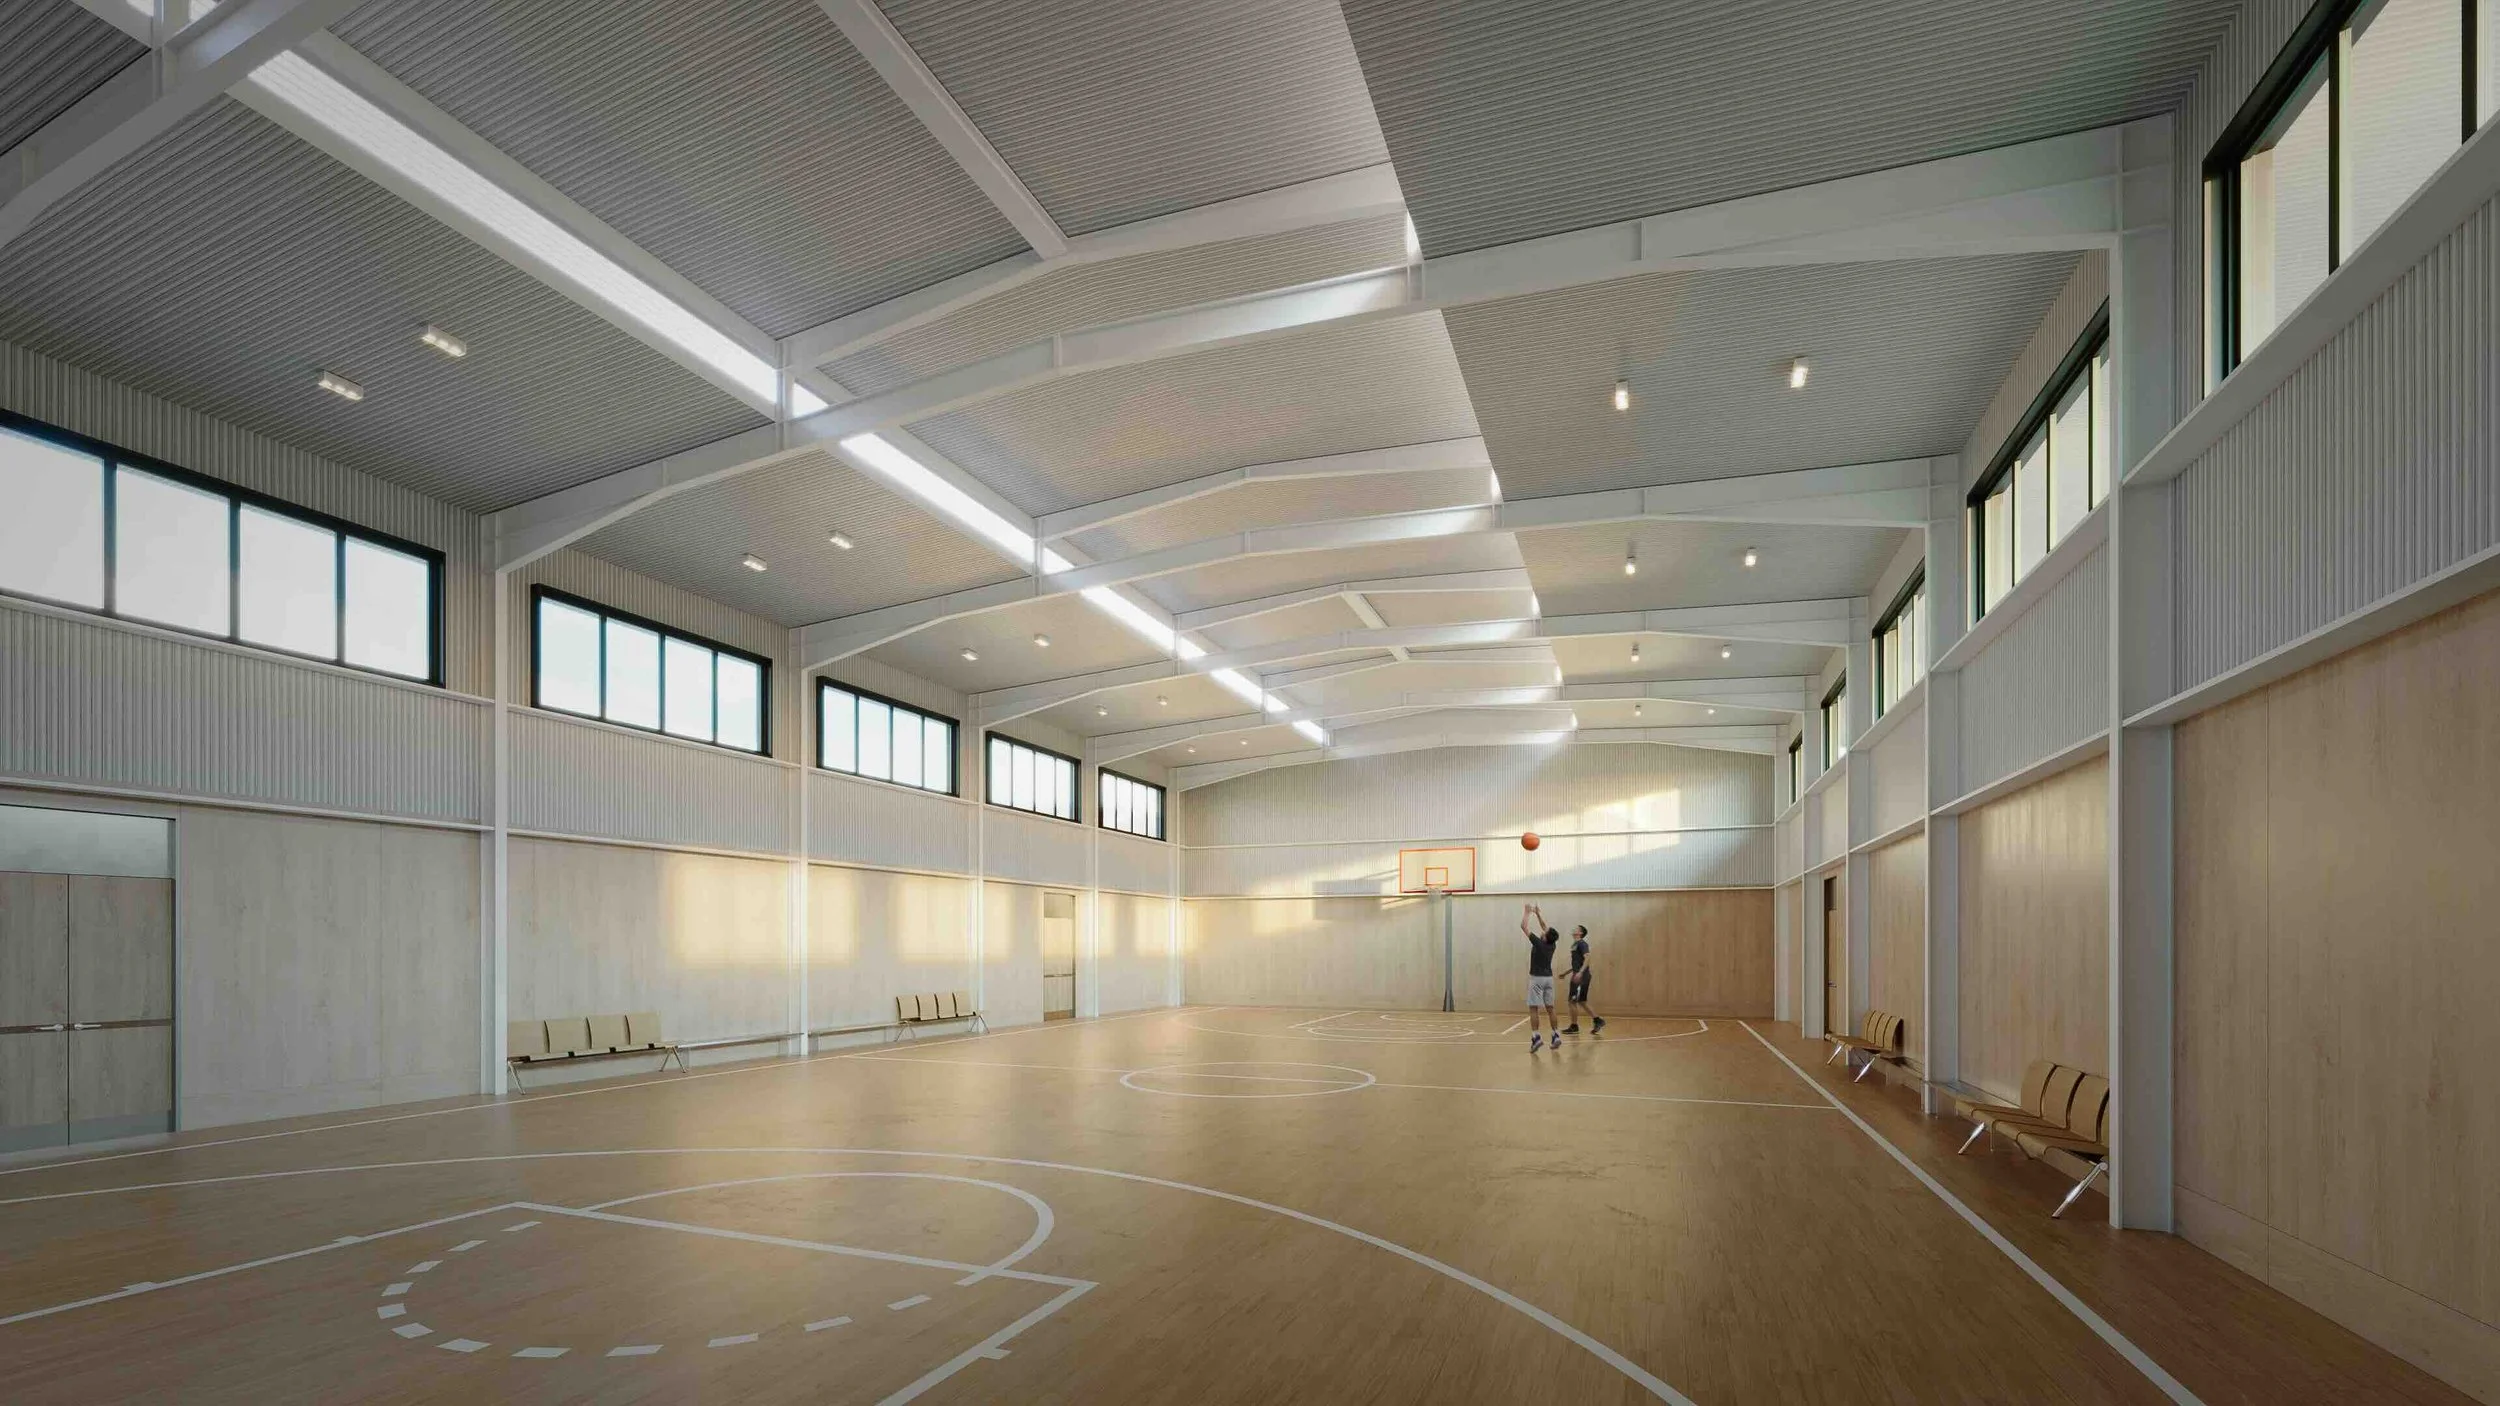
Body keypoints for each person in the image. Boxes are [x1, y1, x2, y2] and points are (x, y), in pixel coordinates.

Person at [1520, 902, 1562, 1051]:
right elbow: (1545, 928)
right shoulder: (1552, 944)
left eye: (1545, 932)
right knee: (1551, 1008)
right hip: (1549, 979)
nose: (1543, 931)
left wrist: (1526, 913)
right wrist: (1538, 914)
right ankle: (1556, 1034)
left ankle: (1536, 1037)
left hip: (1537, 979)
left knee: (1533, 1008)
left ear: (1545, 937)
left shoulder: (1539, 943)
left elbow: (1523, 927)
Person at [1560, 924, 1606, 1036]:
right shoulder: (1575, 945)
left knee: (1572, 1001)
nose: (1573, 929)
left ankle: (1574, 1026)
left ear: (1580, 933)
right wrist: (1566, 973)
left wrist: (1580, 973)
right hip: (1578, 974)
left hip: (1581, 977)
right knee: (1581, 1001)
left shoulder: (1582, 943)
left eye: (1576, 929)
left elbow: (1588, 957)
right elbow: (1578, 963)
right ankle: (1598, 1020)